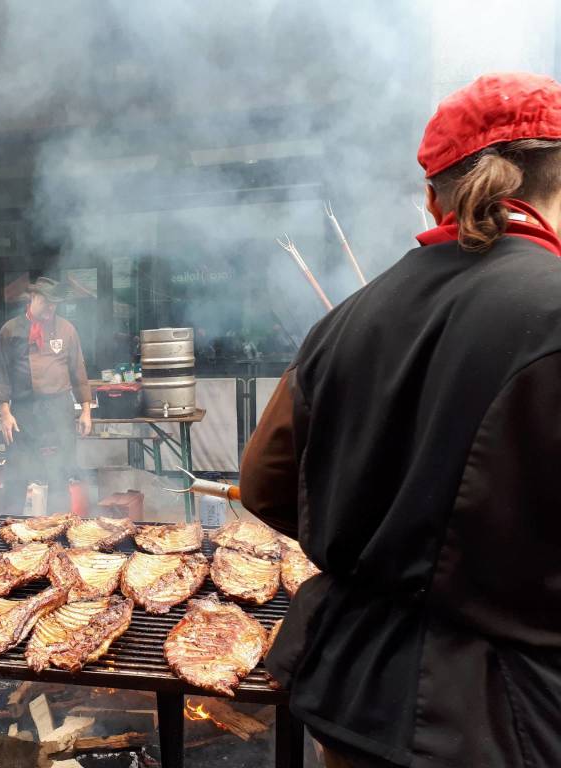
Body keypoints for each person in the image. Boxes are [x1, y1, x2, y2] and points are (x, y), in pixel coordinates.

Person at [239, 72, 561, 768]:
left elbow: (264, 485)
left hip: (354, 701)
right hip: (516, 720)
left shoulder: (345, 320)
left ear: (431, 195)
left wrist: (377, 542)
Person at [0, 277, 93, 514]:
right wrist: (5, 413)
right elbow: (1, 373)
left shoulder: (66, 329)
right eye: (47, 303)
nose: (51, 309)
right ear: (33, 298)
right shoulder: (10, 330)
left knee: (59, 473)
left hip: (58, 410)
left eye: (55, 304)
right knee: (17, 474)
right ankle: (11, 526)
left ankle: (58, 528)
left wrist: (86, 410)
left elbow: (78, 370)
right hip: (23, 412)